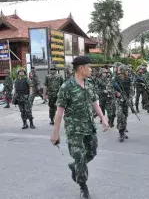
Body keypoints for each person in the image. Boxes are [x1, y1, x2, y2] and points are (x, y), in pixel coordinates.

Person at [50, 56, 109, 199]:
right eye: (89, 67)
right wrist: (55, 133)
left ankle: (75, 166)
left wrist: (103, 117)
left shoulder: (89, 83)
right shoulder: (66, 87)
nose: (91, 69)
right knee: (80, 158)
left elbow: (95, 102)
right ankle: (83, 187)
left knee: (92, 153)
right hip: (74, 130)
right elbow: (59, 111)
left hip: (89, 126)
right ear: (81, 68)